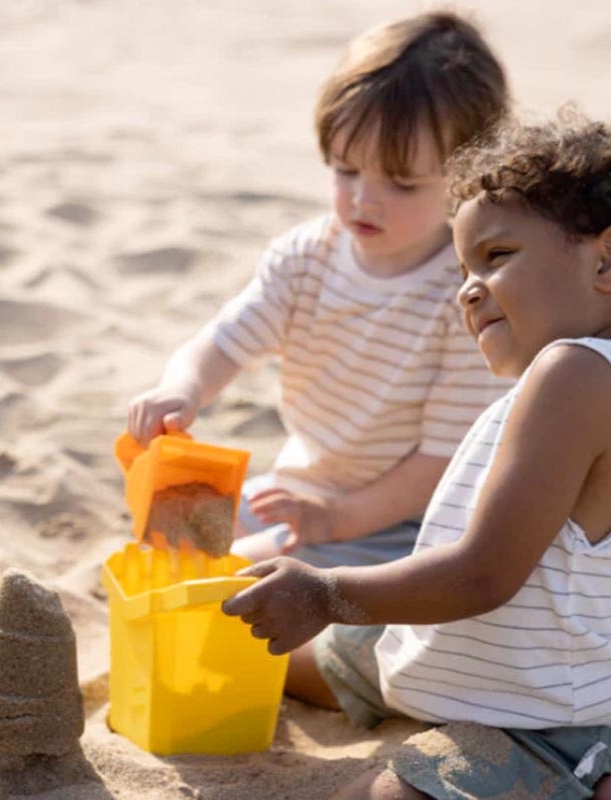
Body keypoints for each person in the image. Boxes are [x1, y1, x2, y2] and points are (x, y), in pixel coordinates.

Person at [223, 105, 611, 799]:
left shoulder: (573, 375)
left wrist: (326, 592)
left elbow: (482, 575)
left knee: (376, 794)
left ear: (610, 258)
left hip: (537, 717)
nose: (468, 289)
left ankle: (597, 779)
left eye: (497, 257)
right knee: (267, 646)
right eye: (463, 268)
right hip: (483, 659)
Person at [127, 11, 512, 567]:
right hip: (301, 488)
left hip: (404, 524)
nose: (363, 200)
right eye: (346, 171)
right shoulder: (305, 258)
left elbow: (439, 464)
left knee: (244, 581)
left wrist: (335, 519)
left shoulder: (466, 299)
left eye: (402, 183)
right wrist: (181, 388)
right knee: (170, 540)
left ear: (469, 181)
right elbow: (225, 343)